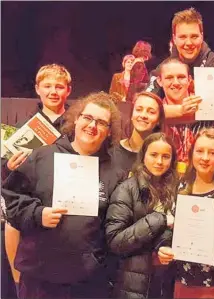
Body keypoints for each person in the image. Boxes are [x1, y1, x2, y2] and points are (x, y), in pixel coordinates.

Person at [2, 92, 125, 299]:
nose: (92, 126)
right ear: (76, 118)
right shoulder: (42, 156)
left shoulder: (115, 173)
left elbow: (115, 226)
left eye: (101, 123)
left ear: (109, 132)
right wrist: (37, 213)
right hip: (40, 279)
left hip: (88, 282)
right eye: (87, 118)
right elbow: (11, 198)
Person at [1, 63, 72, 295]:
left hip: (69, 204)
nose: (53, 91)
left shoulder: (78, 125)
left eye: (59, 86)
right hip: (34, 208)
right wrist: (9, 167)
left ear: (68, 91)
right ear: (37, 89)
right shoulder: (23, 129)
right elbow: (5, 172)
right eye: (47, 86)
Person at [157, 128, 214, 298]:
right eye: (200, 151)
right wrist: (163, 248)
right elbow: (168, 232)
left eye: (212, 153)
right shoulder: (180, 188)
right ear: (191, 154)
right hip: (183, 282)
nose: (205, 158)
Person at [105, 132, 178, 298]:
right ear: (143, 156)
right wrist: (160, 219)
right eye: (153, 155)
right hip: (133, 286)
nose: (159, 161)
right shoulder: (126, 189)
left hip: (166, 284)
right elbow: (115, 241)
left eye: (166, 156)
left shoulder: (177, 190)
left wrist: (163, 245)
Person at [157, 57, 214, 172]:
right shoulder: (153, 112)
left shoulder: (209, 106)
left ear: (189, 80)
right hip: (166, 179)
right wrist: (180, 111)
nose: (176, 82)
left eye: (181, 77)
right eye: (169, 78)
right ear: (159, 81)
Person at [110, 91, 165, 178]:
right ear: (132, 115)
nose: (143, 115)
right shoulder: (112, 151)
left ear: (158, 120)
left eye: (151, 112)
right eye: (139, 110)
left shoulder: (160, 159)